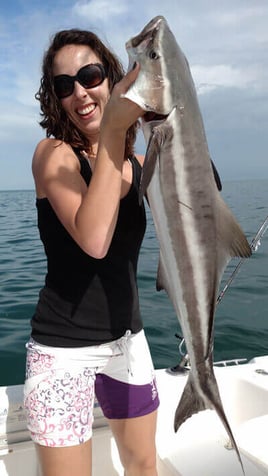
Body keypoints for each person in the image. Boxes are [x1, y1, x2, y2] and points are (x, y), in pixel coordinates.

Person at [23, 28, 159, 476]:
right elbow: (95, 240)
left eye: (90, 75)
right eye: (65, 85)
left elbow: (196, 201)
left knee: (143, 466)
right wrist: (118, 127)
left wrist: (166, 122)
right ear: (55, 98)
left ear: (112, 78)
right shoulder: (54, 155)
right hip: (62, 351)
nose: (80, 92)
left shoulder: (140, 164)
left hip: (129, 343)